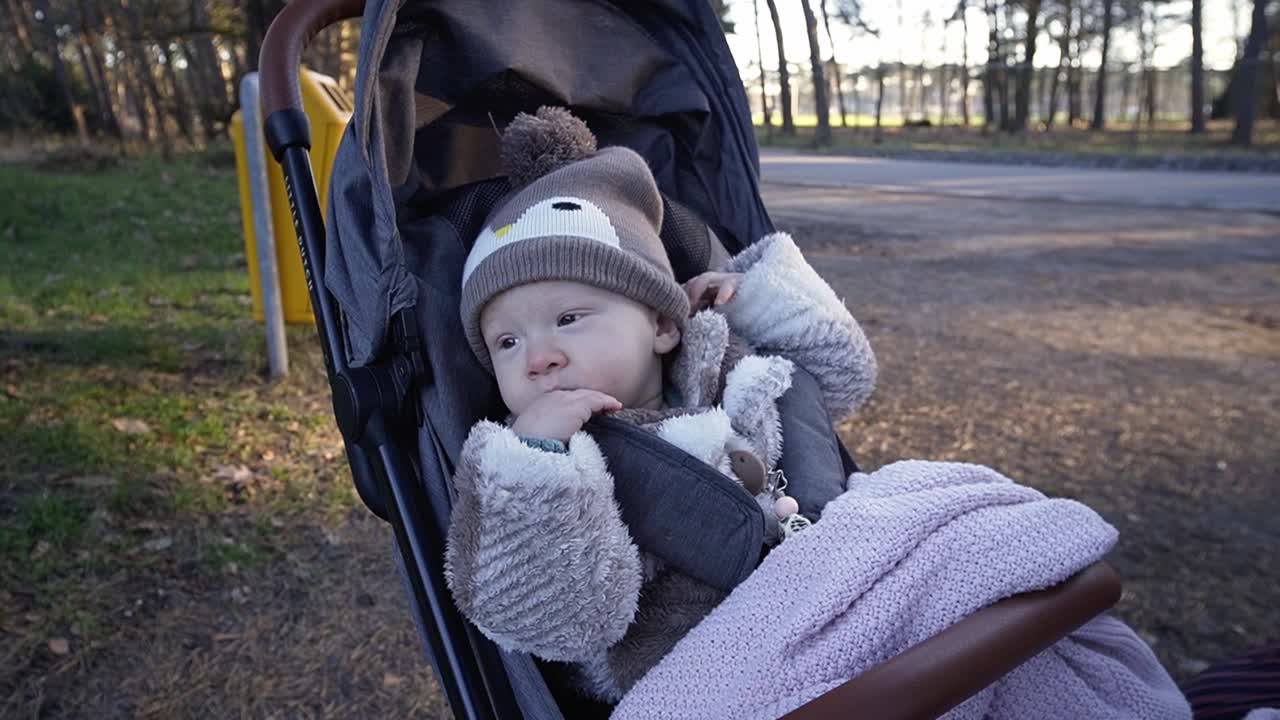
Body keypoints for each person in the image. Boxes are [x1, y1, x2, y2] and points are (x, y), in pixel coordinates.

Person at [443, 106, 876, 703]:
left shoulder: (724, 365)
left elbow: (844, 375)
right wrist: (538, 461)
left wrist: (749, 303)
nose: (536, 358)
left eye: (568, 319)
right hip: (713, 675)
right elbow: (554, 620)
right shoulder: (532, 465)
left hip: (854, 580)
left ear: (662, 326)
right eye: (507, 342)